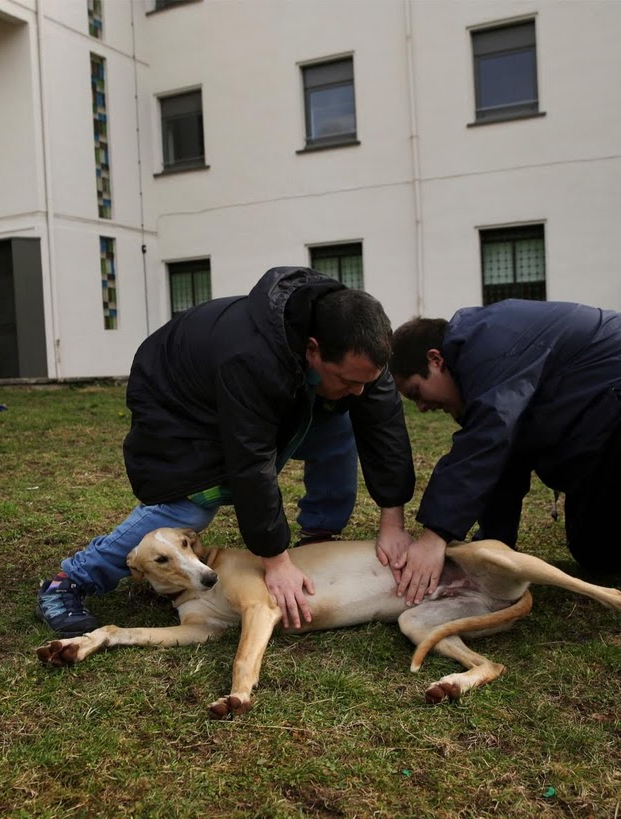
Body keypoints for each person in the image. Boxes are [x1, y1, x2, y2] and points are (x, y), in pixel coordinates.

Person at [37, 266, 417, 637]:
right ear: (313, 350)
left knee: (337, 429)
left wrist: (392, 522)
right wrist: (276, 560)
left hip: (256, 387)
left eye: (368, 380)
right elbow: (251, 464)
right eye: (349, 380)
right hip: (180, 407)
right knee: (190, 506)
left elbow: (384, 429)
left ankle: (318, 536)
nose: (359, 391)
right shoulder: (250, 357)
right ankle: (70, 581)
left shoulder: (358, 345)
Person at [386, 300, 621, 645]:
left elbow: (488, 437)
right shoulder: (490, 381)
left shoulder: (489, 341)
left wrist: (434, 537)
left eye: (417, 391)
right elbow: (502, 462)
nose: (420, 407)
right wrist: (494, 551)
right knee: (595, 548)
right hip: (616, 431)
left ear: (436, 360)